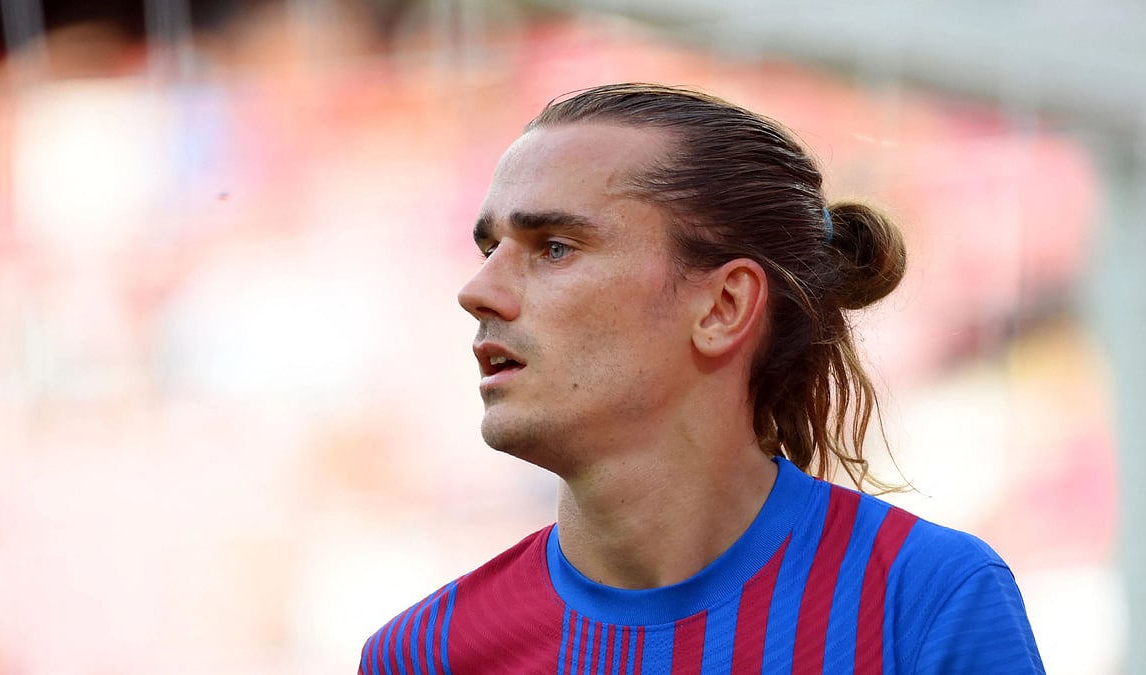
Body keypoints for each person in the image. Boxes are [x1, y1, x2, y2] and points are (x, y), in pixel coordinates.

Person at [359, 83, 1044, 674]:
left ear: (723, 307)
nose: (478, 290)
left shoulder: (923, 600)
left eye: (555, 247)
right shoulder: (426, 653)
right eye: (489, 248)